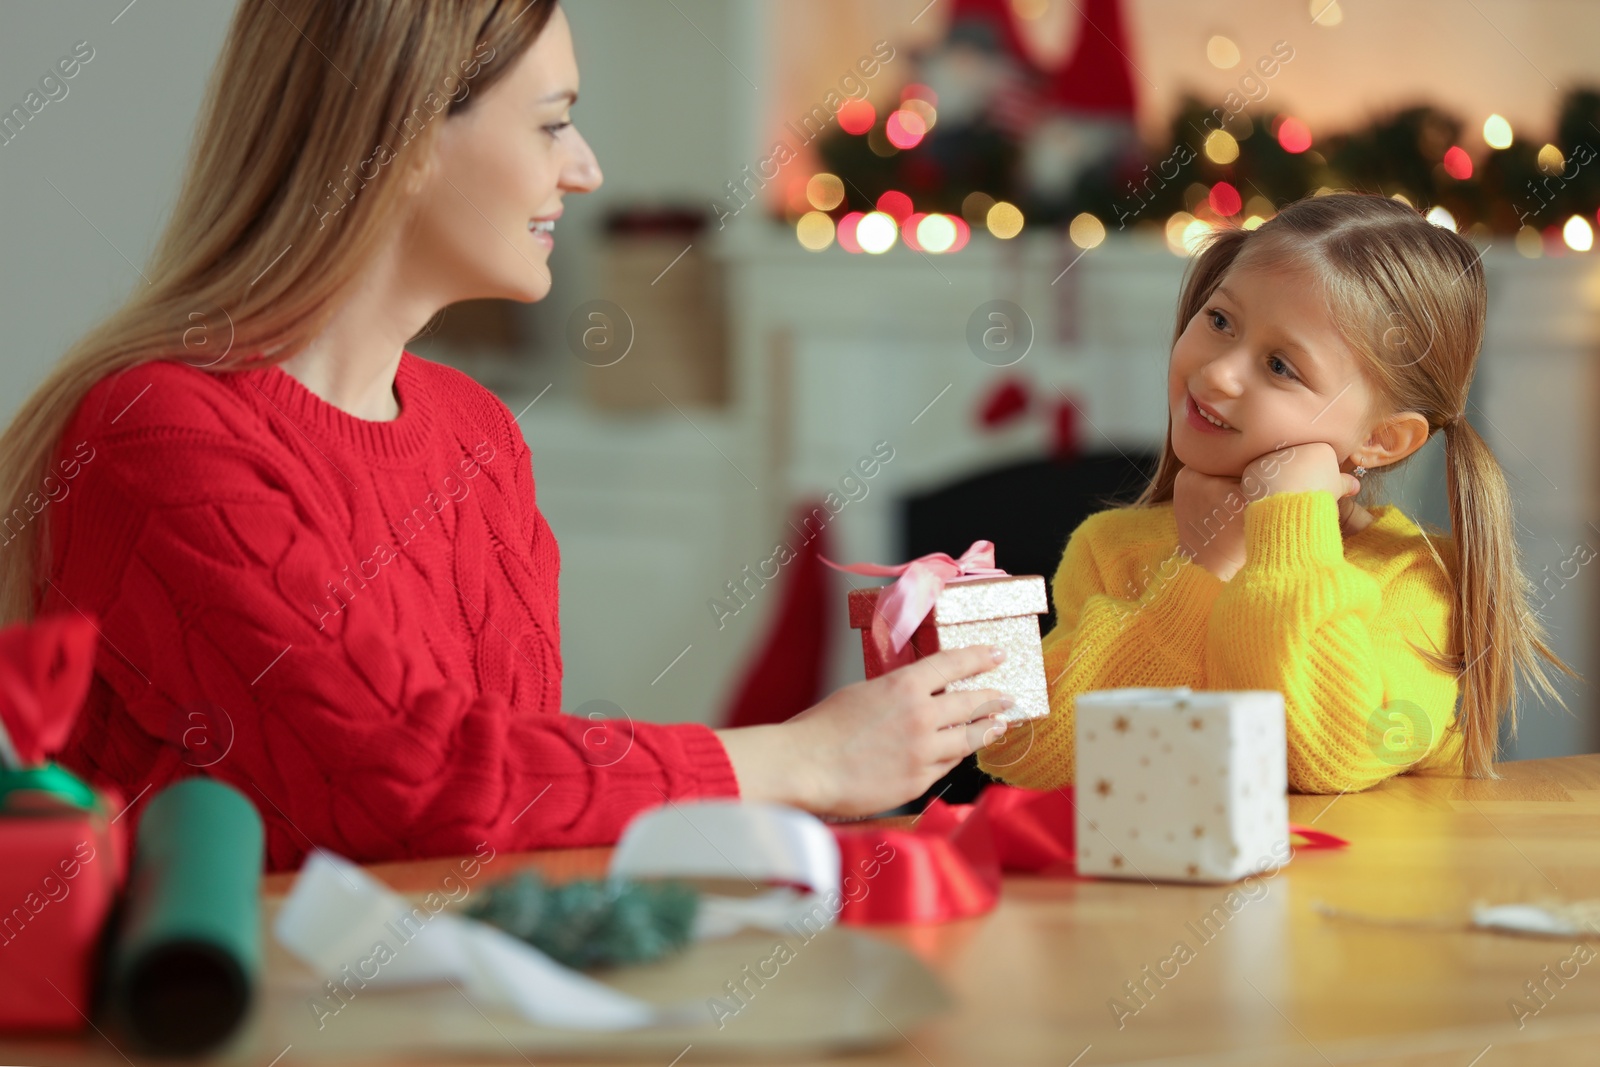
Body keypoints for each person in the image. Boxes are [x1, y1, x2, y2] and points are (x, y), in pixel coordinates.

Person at [0, 0, 1013, 871]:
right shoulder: (155, 434)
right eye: (551, 124)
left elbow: (514, 789)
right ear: (397, 140)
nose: (585, 167)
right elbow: (400, 779)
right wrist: (810, 759)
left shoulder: (477, 437)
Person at [979, 192, 1580, 795]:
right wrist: (1203, 570)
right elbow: (1026, 753)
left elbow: (1327, 756)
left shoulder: (1416, 579)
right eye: (1219, 321)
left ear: (1382, 439)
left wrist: (1288, 530)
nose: (1217, 373)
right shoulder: (1110, 551)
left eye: (1280, 366)